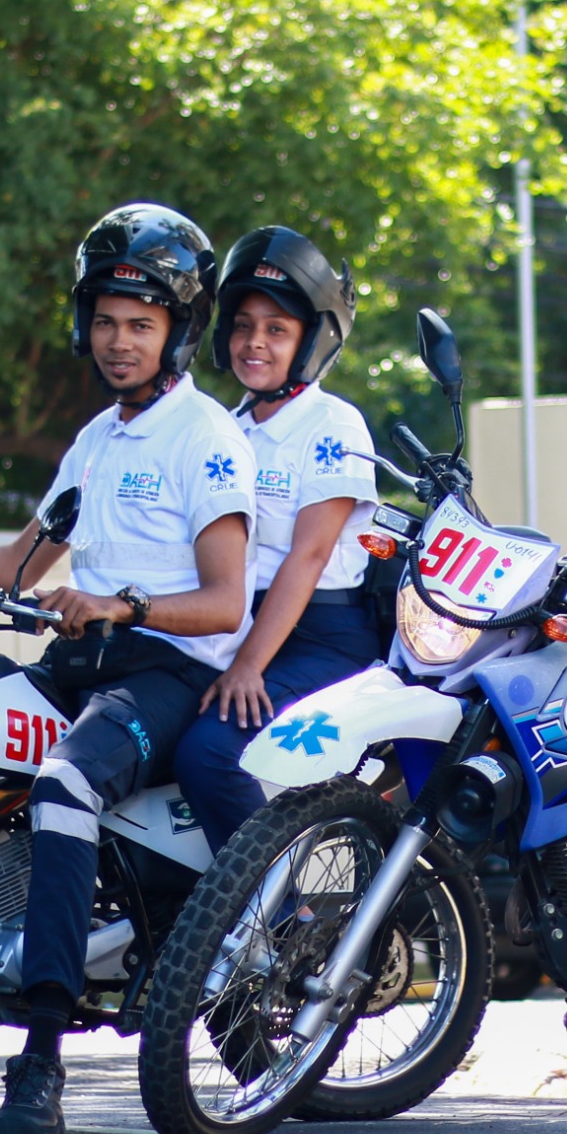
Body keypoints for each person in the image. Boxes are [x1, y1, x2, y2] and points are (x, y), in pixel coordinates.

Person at [0, 204, 254, 1134]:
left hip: (165, 670)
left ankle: (41, 1057)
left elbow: (225, 602)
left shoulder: (207, 437)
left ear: (178, 332)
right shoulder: (96, 439)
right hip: (80, 663)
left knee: (63, 784)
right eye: (105, 320)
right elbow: (24, 561)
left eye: (140, 324)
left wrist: (123, 605)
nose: (118, 341)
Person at [170, 226, 380, 849]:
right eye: (242, 325)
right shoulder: (222, 428)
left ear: (310, 341)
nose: (253, 342)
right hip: (233, 622)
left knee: (209, 752)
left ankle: (276, 923)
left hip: (319, 635)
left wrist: (248, 666)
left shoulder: (334, 424)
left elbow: (308, 557)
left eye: (277, 329)